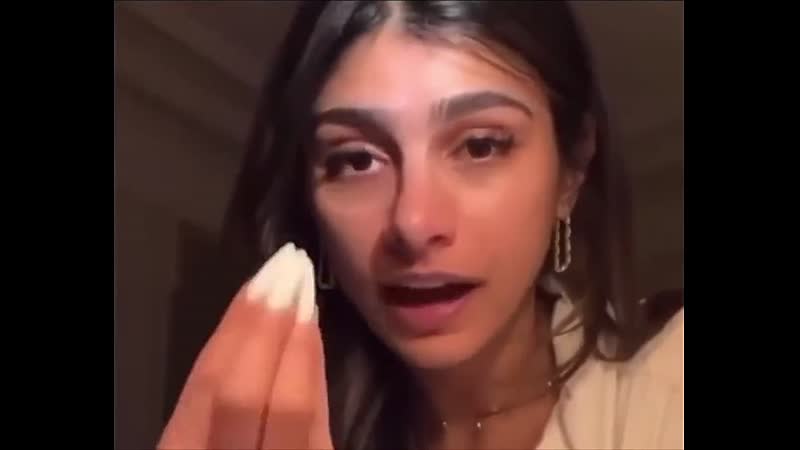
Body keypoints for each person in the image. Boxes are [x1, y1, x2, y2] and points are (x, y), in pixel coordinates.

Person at [158, 1, 684, 449]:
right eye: (357, 160)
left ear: (571, 171)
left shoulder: (668, 387)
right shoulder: (267, 417)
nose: (413, 223)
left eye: (480, 146)